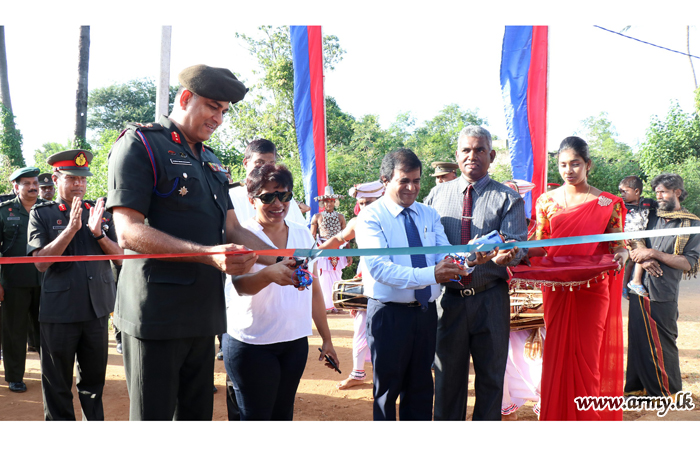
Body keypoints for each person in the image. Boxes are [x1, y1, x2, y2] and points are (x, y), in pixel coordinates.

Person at [107, 64, 287, 421]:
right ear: (186, 98)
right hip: (156, 315)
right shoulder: (141, 144)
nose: (219, 118)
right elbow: (127, 231)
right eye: (212, 106)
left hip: (203, 314)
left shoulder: (212, 161)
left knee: (196, 418)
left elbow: (232, 230)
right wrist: (208, 256)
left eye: (223, 111)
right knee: (153, 420)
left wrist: (280, 258)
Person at [355, 148, 470, 421]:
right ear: (385, 180)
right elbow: (381, 269)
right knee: (386, 392)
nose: (411, 188)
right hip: (388, 315)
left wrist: (472, 258)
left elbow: (444, 253)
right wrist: (432, 274)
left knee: (420, 389)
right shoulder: (371, 217)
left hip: (425, 313)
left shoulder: (428, 214)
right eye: (404, 181)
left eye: (417, 181)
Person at [424, 125, 527, 421]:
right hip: (448, 301)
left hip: (490, 299)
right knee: (446, 379)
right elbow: (428, 244)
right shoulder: (435, 196)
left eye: (480, 150)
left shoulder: (509, 199)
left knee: (491, 379)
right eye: (466, 150)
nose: (473, 156)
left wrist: (508, 256)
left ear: (491, 155)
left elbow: (517, 247)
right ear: (457, 156)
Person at [224, 163, 339, 420]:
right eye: (268, 197)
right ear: (252, 201)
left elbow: (314, 288)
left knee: (283, 415)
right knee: (255, 419)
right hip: (252, 344)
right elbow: (239, 286)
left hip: (294, 343)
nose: (278, 204)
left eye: (285, 195)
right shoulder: (242, 236)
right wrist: (268, 275)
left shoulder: (302, 236)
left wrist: (327, 339)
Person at [528, 136, 627, 421]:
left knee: (589, 356)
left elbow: (617, 244)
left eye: (575, 164)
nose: (568, 170)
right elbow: (541, 245)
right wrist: (515, 251)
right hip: (557, 289)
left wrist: (622, 255)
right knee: (557, 354)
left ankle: (589, 422)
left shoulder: (609, 202)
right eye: (562, 165)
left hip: (592, 288)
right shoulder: (545, 201)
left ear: (588, 164)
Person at [27, 150, 123, 420]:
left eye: (83, 179)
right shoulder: (42, 214)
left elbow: (121, 259)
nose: (79, 184)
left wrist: (98, 234)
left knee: (94, 384)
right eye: (72, 179)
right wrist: (70, 229)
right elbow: (40, 263)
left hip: (96, 312)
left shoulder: (98, 211)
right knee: (57, 384)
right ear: (56, 179)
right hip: (60, 313)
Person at [624, 173, 700, 399]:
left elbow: (689, 262)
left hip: (664, 292)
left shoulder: (692, 223)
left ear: (677, 192)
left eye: (663, 192)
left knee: (663, 344)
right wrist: (644, 258)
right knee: (637, 339)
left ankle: (669, 393)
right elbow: (633, 242)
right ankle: (637, 390)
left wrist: (654, 253)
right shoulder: (649, 216)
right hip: (638, 288)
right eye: (656, 192)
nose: (658, 196)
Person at [317, 179, 385, 389]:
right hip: (365, 280)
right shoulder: (358, 222)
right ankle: (358, 373)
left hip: (394, 285)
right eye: (362, 203)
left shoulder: (393, 218)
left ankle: (387, 378)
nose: (366, 207)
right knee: (360, 328)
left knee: (389, 334)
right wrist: (313, 254)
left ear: (381, 199)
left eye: (370, 202)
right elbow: (337, 239)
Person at [1, 167, 44, 393]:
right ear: (16, 187)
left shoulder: (47, 209)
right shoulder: (4, 212)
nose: (32, 187)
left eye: (35, 182)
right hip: (14, 282)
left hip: (46, 283)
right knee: (14, 332)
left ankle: (51, 373)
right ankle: (15, 376)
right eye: (26, 183)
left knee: (47, 332)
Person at [228, 138, 306, 226]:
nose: (265, 168)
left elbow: (299, 229)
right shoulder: (231, 196)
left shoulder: (284, 196)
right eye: (259, 162)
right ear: (246, 163)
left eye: (271, 163)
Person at [310, 185, 349, 313]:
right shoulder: (317, 217)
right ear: (323, 202)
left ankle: (337, 305)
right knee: (323, 278)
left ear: (335, 202)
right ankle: (326, 306)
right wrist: (311, 253)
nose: (329, 204)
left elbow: (346, 237)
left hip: (338, 249)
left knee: (338, 276)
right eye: (327, 201)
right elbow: (312, 236)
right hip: (323, 249)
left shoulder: (341, 217)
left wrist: (349, 254)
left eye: (331, 201)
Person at [618, 176, 655, 298]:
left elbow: (662, 208)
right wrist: (623, 237)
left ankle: (623, 287)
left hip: (641, 235)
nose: (622, 194)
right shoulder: (622, 206)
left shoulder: (647, 203)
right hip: (630, 237)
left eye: (625, 191)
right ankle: (636, 281)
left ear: (637, 191)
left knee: (632, 262)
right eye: (621, 192)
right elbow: (617, 223)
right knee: (641, 253)